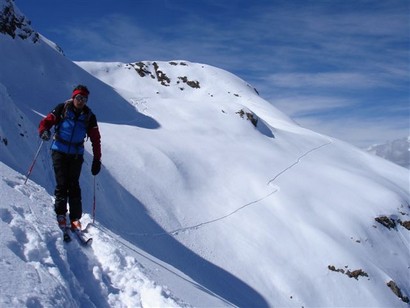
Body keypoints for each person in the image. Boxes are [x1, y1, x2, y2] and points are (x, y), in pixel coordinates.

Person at [38, 85, 101, 232]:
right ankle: (61, 214)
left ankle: (74, 218)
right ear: (73, 97)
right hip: (59, 150)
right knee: (62, 183)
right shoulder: (62, 109)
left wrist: (97, 159)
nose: (81, 101)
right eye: (79, 98)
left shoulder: (89, 116)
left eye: (84, 99)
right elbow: (47, 121)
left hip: (76, 154)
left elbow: (96, 139)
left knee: (74, 185)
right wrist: (44, 131)